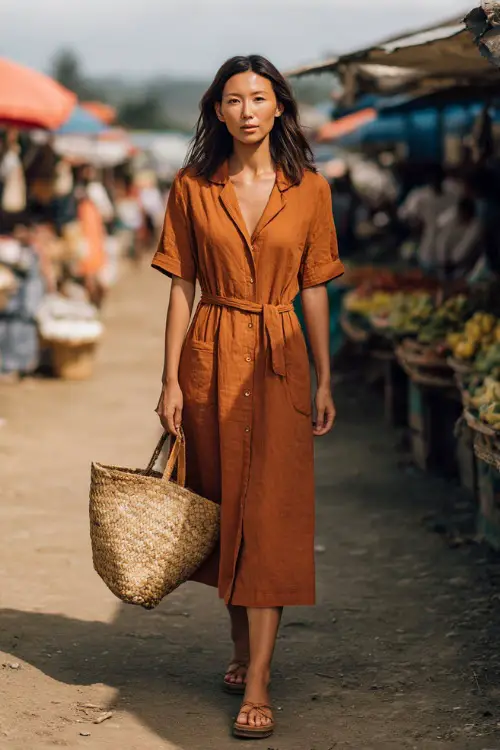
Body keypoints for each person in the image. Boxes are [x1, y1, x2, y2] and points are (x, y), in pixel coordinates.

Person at [152, 55, 343, 740]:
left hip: (281, 355)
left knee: (270, 517)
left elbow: (316, 284)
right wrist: (170, 379)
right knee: (225, 509)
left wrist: (325, 375)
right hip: (210, 353)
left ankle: (259, 679)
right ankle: (239, 647)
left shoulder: (311, 189)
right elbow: (180, 285)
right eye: (233, 100)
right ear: (217, 111)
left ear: (281, 108)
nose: (248, 110)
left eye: (260, 98)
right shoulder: (191, 187)